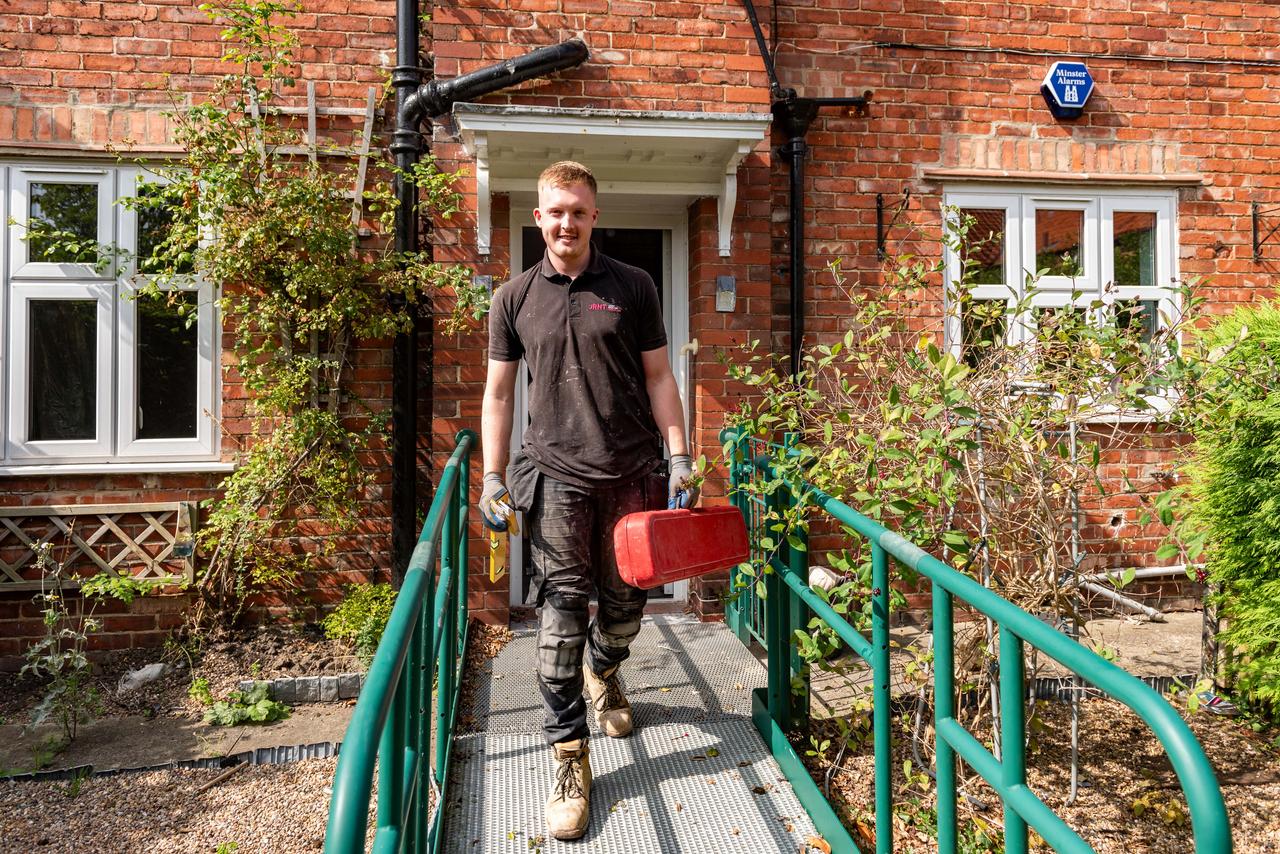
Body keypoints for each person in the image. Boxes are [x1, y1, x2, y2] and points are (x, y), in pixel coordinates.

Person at [478, 160, 699, 841]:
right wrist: (490, 478)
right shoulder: (513, 298)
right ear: (539, 218)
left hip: (632, 472)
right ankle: (570, 758)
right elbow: (498, 395)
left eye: (578, 210)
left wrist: (681, 455)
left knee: (627, 607)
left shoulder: (632, 286)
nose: (566, 222)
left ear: (593, 216)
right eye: (555, 211)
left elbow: (660, 377)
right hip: (554, 479)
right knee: (560, 617)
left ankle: (607, 670)